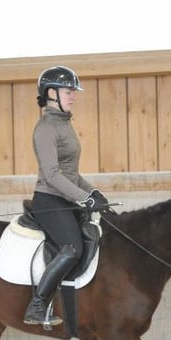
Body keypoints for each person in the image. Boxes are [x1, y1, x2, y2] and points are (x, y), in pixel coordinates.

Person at [23, 65, 112, 326]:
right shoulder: (45, 128)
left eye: (74, 91)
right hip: (49, 200)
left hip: (66, 197)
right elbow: (52, 175)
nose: (73, 96)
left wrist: (92, 192)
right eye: (68, 91)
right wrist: (83, 198)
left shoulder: (64, 124)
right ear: (51, 93)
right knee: (72, 249)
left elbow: (71, 173)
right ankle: (37, 306)